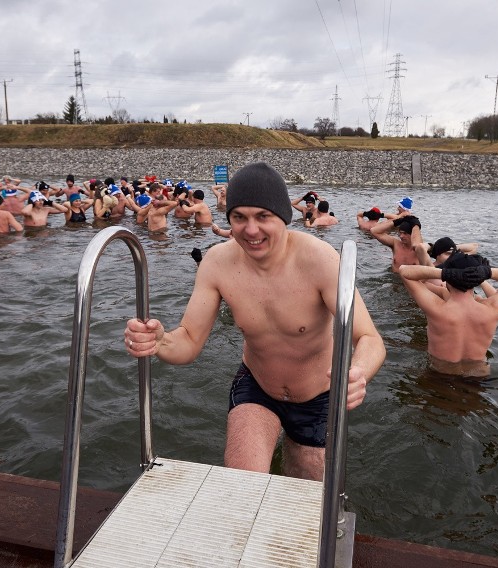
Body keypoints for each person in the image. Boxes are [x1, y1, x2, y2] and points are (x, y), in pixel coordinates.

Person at [124, 162, 385, 481]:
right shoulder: (218, 263)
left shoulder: (320, 260)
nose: (250, 230)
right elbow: (189, 341)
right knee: (243, 483)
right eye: (239, 217)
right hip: (258, 386)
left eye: (263, 217)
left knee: (308, 492)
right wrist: (159, 341)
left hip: (319, 394)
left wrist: (357, 372)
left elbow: (370, 339)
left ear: (283, 219)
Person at [400, 252, 498, 377]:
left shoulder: (437, 309)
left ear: (448, 278)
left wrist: (446, 273)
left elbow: (404, 271)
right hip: (478, 377)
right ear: (477, 280)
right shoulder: (492, 309)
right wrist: (487, 272)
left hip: (440, 375)